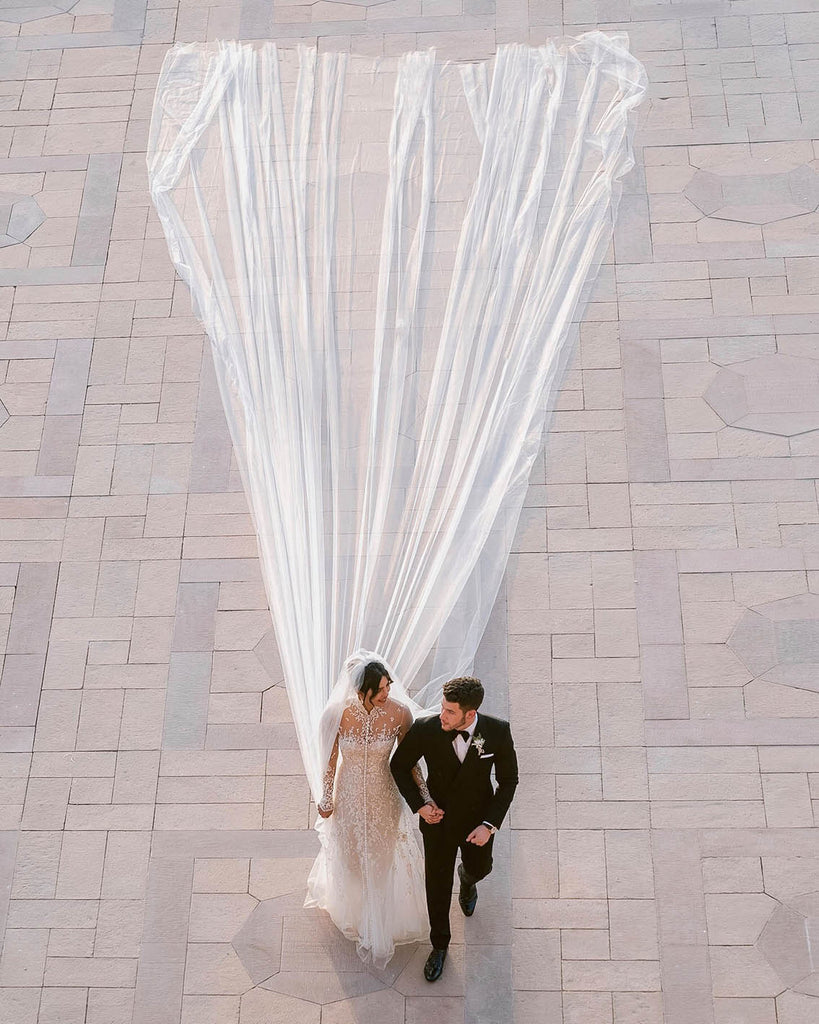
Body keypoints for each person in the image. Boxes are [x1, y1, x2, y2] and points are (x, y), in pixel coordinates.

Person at [390, 676, 518, 982]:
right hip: (439, 822)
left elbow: (508, 780)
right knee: (436, 885)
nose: (442, 715)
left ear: (469, 714)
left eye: (449, 711)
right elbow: (399, 764)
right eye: (443, 708)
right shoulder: (426, 729)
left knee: (481, 868)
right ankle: (439, 946)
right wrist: (420, 805)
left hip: (478, 822)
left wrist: (489, 825)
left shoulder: (497, 732)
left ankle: (468, 878)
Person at [305, 656, 430, 966]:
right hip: (348, 797)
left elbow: (410, 760)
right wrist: (326, 797)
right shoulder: (337, 714)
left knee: (381, 856)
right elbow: (331, 760)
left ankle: (380, 913)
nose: (388, 692)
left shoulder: (400, 714)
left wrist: (425, 795)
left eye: (388, 686)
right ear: (362, 691)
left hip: (383, 795)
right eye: (381, 689)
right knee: (350, 855)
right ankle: (357, 907)